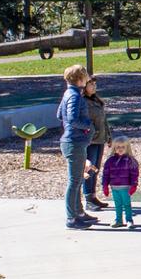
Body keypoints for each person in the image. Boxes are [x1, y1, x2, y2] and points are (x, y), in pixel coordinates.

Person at [56, 66, 96, 228]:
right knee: (74, 182)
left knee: (78, 180)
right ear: (80, 79)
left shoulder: (68, 94)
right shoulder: (75, 96)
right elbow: (72, 119)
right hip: (74, 142)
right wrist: (88, 126)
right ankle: (71, 218)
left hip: (73, 141)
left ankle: (79, 213)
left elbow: (60, 115)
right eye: (85, 76)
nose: (88, 78)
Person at [82, 75, 112, 210]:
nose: (94, 87)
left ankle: (93, 196)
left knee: (96, 168)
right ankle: (88, 199)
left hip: (100, 139)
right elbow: (85, 122)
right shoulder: (83, 102)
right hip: (90, 141)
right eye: (91, 84)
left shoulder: (96, 101)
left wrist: (108, 135)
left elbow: (103, 120)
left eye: (95, 84)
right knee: (89, 168)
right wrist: (92, 132)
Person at [101, 137, 141, 228]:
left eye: (123, 147)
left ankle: (129, 220)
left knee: (127, 204)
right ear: (114, 148)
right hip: (114, 187)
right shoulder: (110, 161)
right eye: (118, 147)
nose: (120, 149)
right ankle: (118, 220)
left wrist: (134, 185)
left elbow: (134, 174)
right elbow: (106, 174)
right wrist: (105, 186)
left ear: (127, 148)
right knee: (117, 204)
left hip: (125, 187)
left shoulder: (130, 161)